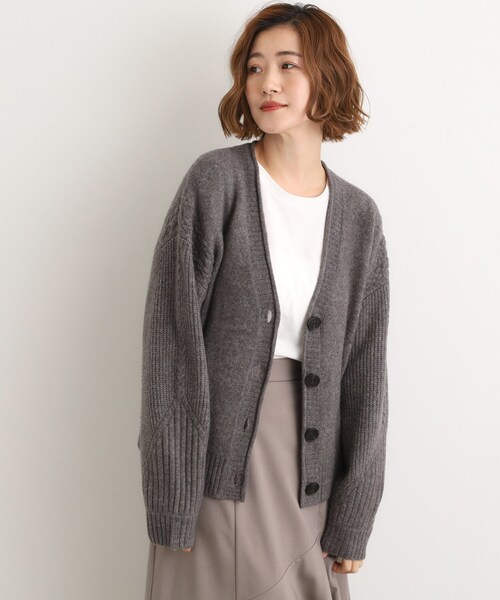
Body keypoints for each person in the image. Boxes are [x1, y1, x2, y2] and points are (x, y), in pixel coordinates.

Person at [138, 3, 390, 599]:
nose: (267, 83)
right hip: (217, 468)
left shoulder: (359, 218)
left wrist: (355, 515)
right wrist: (173, 497)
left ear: (327, 75)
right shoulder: (215, 183)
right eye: (254, 68)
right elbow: (171, 345)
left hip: (313, 473)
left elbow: (366, 374)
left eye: (287, 65)